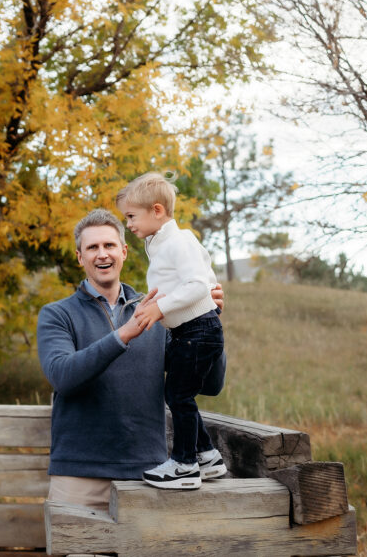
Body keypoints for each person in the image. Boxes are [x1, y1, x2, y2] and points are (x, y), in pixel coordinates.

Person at [36, 209, 225, 512]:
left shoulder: (159, 308)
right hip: (79, 475)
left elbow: (211, 385)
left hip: (149, 474)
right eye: (92, 247)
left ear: (123, 252)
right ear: (79, 257)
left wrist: (205, 320)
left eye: (109, 246)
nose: (102, 254)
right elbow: (63, 376)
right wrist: (123, 334)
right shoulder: (57, 314)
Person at [116, 172, 225, 490]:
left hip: (197, 330)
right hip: (188, 331)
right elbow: (206, 273)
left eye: (132, 216)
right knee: (180, 395)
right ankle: (207, 456)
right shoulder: (164, 244)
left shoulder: (178, 242)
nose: (130, 225)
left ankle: (184, 466)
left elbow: (199, 284)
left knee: (177, 395)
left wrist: (160, 309)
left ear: (158, 211)